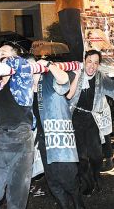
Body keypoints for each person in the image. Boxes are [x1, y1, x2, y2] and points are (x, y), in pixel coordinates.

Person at [0, 42, 34, 209]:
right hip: (1, 140)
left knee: (17, 198)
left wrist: (6, 62)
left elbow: (23, 64)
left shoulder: (22, 79)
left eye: (4, 52)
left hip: (22, 140)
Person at [30, 56, 84, 209]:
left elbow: (64, 82)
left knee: (68, 178)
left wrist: (48, 64)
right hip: (43, 140)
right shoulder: (27, 87)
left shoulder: (48, 77)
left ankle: (78, 203)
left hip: (60, 138)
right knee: (52, 180)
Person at [67, 50, 114, 196]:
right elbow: (64, 92)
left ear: (99, 65)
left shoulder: (101, 78)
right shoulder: (75, 75)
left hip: (93, 119)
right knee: (81, 156)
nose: (92, 66)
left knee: (96, 155)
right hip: (76, 118)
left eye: (96, 63)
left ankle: (96, 176)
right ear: (84, 61)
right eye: (89, 61)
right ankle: (87, 184)